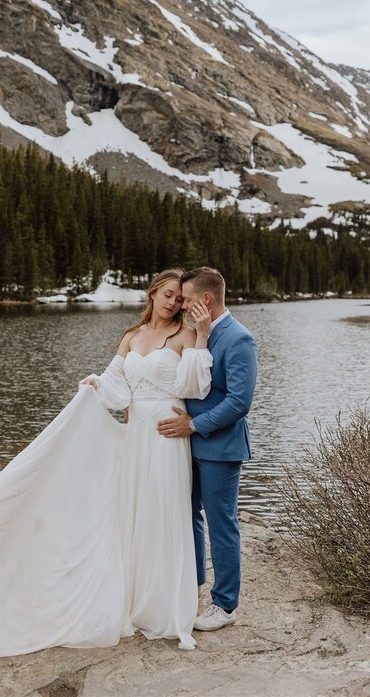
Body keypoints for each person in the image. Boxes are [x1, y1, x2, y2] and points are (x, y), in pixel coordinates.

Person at [0, 269, 214, 657]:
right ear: (152, 294)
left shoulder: (186, 335)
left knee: (164, 516)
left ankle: (164, 608)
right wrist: (95, 386)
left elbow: (195, 387)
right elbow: (117, 389)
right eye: (168, 294)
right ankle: (133, 599)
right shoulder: (131, 337)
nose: (174, 303)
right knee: (134, 516)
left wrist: (201, 335)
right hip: (136, 441)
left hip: (168, 437)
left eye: (179, 298)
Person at [157, 267, 257, 632]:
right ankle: (191, 588)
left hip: (220, 448)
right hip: (186, 446)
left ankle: (225, 604)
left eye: (185, 298)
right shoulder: (192, 333)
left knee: (222, 524)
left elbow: (239, 402)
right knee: (187, 518)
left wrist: (195, 424)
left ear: (206, 300)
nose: (180, 304)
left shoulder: (239, 338)